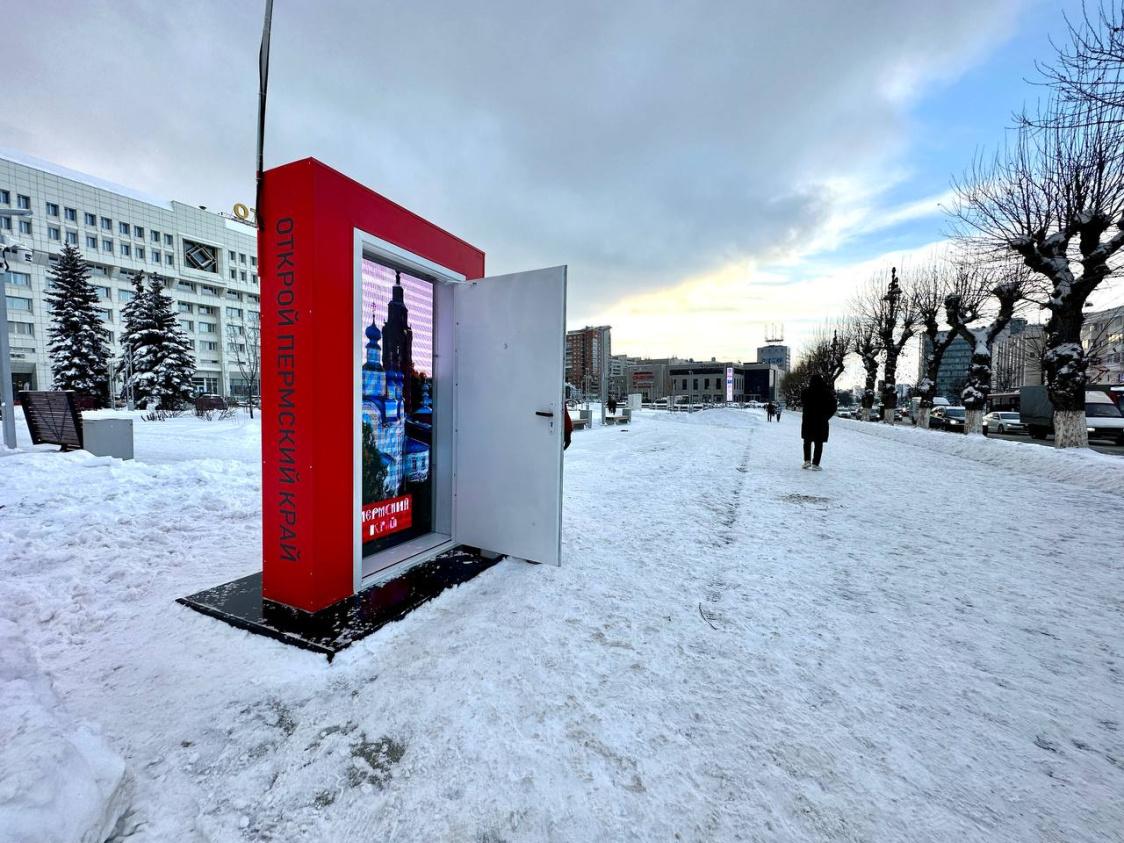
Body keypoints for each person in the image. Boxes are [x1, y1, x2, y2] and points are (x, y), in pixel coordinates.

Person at [800, 374, 837, 470]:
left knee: (807, 441)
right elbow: (833, 407)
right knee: (818, 442)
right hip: (821, 421)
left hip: (808, 420)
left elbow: (802, 402)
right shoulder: (827, 392)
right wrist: (826, 417)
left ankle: (807, 461)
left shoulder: (806, 392)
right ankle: (815, 464)